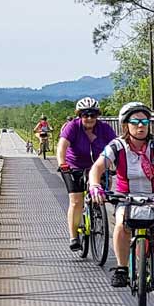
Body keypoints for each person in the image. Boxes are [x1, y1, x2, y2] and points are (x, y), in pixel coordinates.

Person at [88, 102, 154, 294]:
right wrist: (95, 185)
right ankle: (122, 268)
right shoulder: (117, 146)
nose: (140, 126)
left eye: (144, 121)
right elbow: (97, 168)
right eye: (135, 122)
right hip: (125, 197)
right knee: (121, 226)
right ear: (125, 125)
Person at [56, 97, 116, 250]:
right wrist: (62, 164)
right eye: (85, 115)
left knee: (100, 195)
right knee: (76, 201)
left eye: (93, 115)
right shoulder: (72, 127)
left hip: (97, 165)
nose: (89, 118)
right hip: (73, 166)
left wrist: (118, 165)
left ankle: (98, 214)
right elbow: (62, 146)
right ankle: (74, 236)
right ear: (79, 115)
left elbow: (117, 146)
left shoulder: (104, 128)